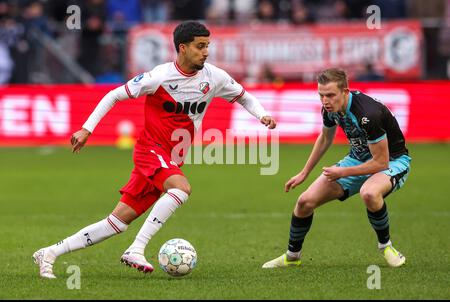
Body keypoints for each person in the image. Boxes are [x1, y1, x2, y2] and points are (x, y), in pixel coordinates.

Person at [33, 21, 276, 279]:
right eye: (200, 46)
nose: (206, 52)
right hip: (151, 150)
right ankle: (136, 249)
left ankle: (49, 253)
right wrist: (86, 129)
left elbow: (243, 96)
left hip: (171, 159)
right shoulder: (159, 77)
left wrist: (262, 115)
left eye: (208, 46)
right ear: (182, 48)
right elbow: (114, 95)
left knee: (116, 223)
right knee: (181, 189)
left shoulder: (214, 77)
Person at [262, 68, 410, 269]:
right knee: (305, 202)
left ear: (345, 92)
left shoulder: (368, 114)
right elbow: (325, 138)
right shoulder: (329, 109)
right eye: (321, 95)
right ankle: (292, 256)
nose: (325, 101)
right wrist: (304, 172)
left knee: (369, 193)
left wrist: (342, 172)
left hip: (393, 161)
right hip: (358, 159)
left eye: (330, 95)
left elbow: (380, 163)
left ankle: (386, 246)